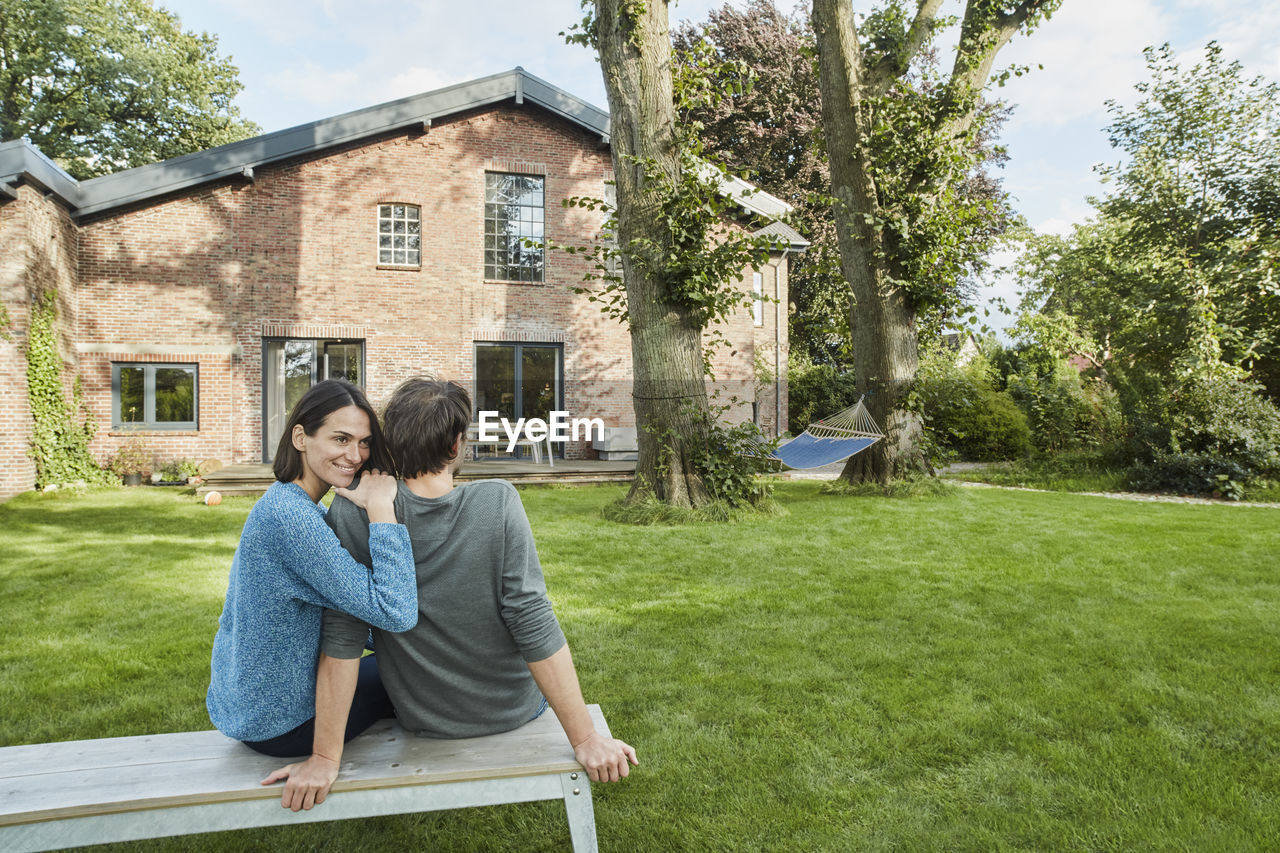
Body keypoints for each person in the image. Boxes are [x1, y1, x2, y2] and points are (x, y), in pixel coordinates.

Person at [264, 378, 637, 811]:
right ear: (457, 444)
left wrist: (325, 758)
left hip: (425, 716)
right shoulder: (498, 502)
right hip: (512, 708)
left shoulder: (354, 510)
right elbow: (532, 619)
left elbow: (343, 638)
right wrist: (586, 738)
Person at [207, 379, 419, 764]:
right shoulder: (291, 520)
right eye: (341, 439)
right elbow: (395, 611)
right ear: (301, 438)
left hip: (251, 706)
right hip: (283, 723)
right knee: (427, 675)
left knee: (409, 662)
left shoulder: (293, 505)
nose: (356, 455)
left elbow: (361, 617)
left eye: (364, 442)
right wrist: (381, 509)